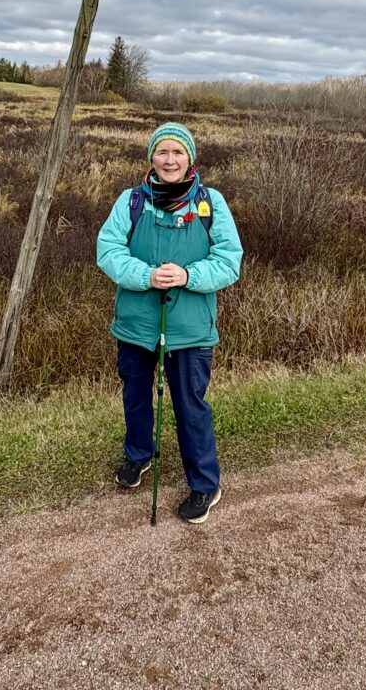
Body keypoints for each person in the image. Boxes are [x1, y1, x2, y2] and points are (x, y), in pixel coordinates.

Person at [97, 121, 243, 524]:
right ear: (152, 159)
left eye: (178, 152)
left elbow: (229, 261)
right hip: (136, 324)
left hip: (190, 328)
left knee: (189, 404)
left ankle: (205, 484)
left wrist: (187, 276)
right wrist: (145, 276)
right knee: (137, 396)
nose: (170, 160)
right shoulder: (131, 201)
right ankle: (138, 456)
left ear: (189, 159)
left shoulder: (211, 204)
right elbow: (107, 250)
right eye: (162, 152)